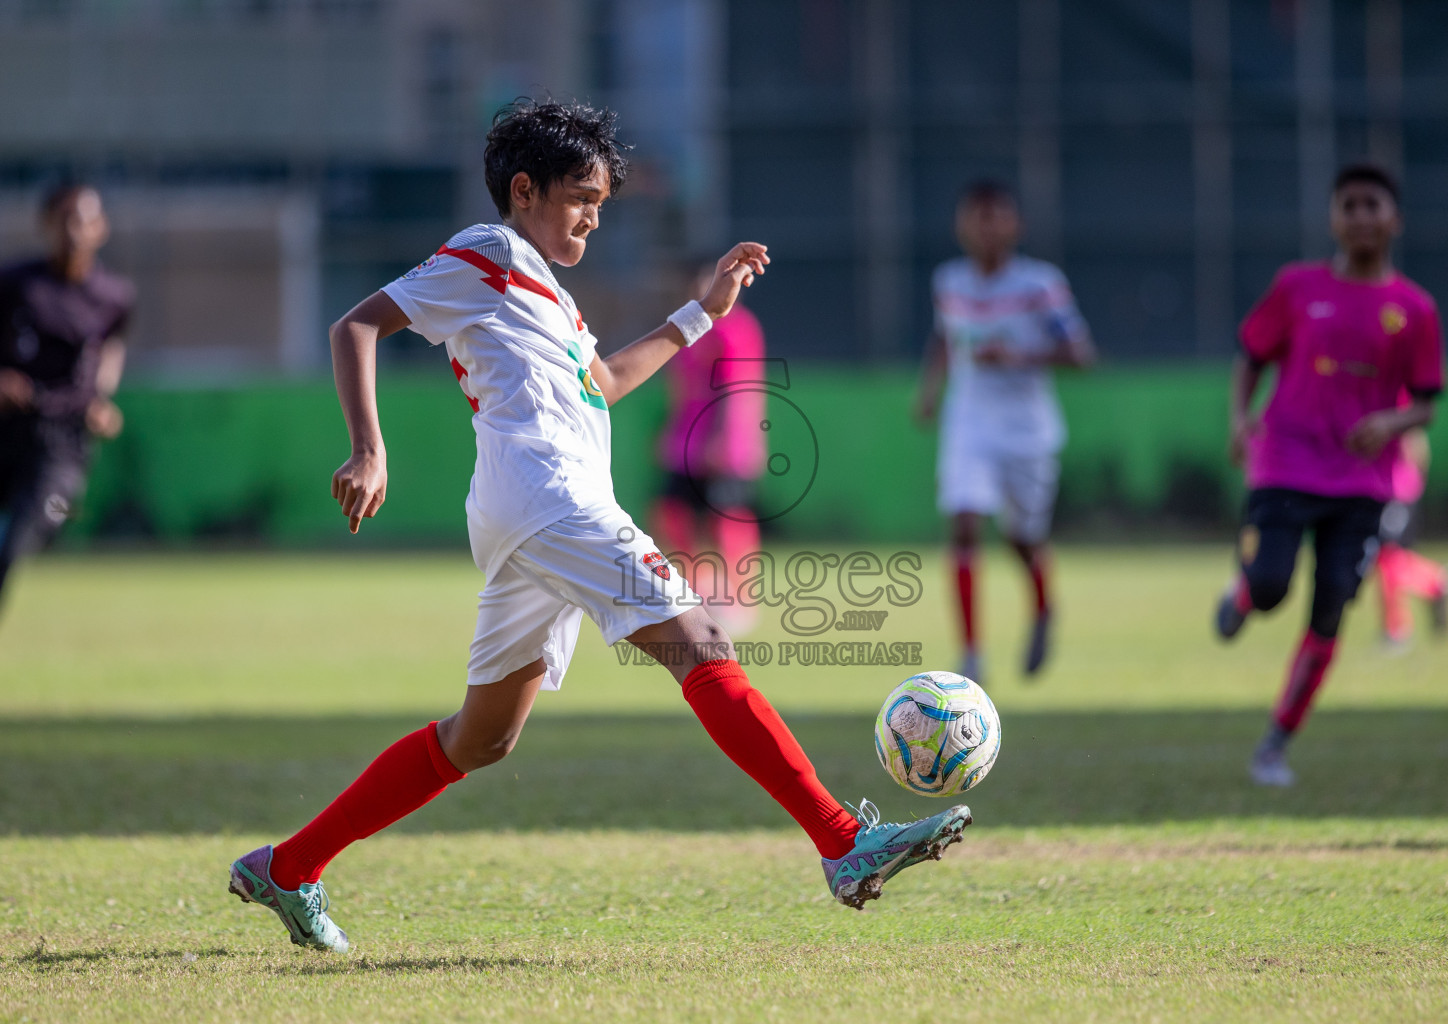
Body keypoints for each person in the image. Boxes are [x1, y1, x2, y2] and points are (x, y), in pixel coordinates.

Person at [227, 100, 971, 953]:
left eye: (602, 202)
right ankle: (843, 841)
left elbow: (607, 380)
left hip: (532, 509)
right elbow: (355, 322)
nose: (592, 214)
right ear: (524, 190)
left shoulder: (548, 292)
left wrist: (703, 314)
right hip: (550, 497)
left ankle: (289, 866)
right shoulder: (490, 251)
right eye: (581, 196)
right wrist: (369, 450)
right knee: (701, 643)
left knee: (482, 738)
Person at [1214, 162, 1445, 787]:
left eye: (1373, 205)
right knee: (1269, 586)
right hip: (1286, 461)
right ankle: (1242, 594)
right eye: (1350, 205)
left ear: (1393, 219)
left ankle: (1274, 744)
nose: (1362, 216)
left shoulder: (1415, 309)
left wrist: (1391, 425)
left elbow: (1426, 397)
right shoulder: (1296, 287)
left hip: (1362, 482)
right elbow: (1251, 355)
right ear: (1333, 219)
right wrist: (1240, 420)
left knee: (1331, 608)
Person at [914, 180, 1095, 685]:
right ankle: (971, 653)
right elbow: (944, 339)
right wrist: (929, 391)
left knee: (1023, 538)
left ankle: (1043, 607)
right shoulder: (949, 280)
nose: (986, 227)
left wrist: (1019, 356)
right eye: (977, 216)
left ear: (1016, 225)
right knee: (964, 522)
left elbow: (1082, 355)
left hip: (1028, 432)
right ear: (961, 224)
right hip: (969, 424)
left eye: (996, 217)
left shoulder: (1040, 284)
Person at [0, 184, 130, 613]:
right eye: (65, 219)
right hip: (8, 428)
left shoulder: (114, 297)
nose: (74, 230)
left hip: (64, 441)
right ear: (47, 225)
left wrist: (101, 397)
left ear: (101, 228)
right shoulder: (16, 284)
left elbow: (112, 348)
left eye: (85, 219)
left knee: (45, 519)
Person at [650, 261, 767, 633]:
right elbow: (681, 390)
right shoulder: (686, 329)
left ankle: (741, 597)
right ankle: (695, 588)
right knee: (672, 511)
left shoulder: (737, 328)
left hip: (726, 445)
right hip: (687, 441)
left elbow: (740, 388)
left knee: (727, 520)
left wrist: (725, 439)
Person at [1375, 426, 1448, 649]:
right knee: (1386, 558)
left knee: (1390, 558)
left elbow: (1416, 446)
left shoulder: (1399, 403)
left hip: (1397, 491)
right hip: (1381, 489)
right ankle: (1436, 580)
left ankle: (1396, 630)